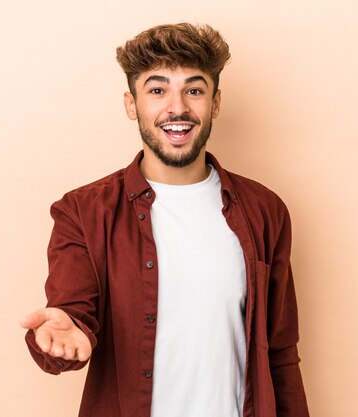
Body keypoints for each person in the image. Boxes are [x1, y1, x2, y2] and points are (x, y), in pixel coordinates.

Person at [20, 23, 310, 417]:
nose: (178, 108)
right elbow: (72, 320)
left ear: (216, 102)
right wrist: (61, 339)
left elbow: (280, 353)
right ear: (130, 104)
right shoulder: (83, 212)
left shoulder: (264, 211)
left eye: (194, 90)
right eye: (157, 90)